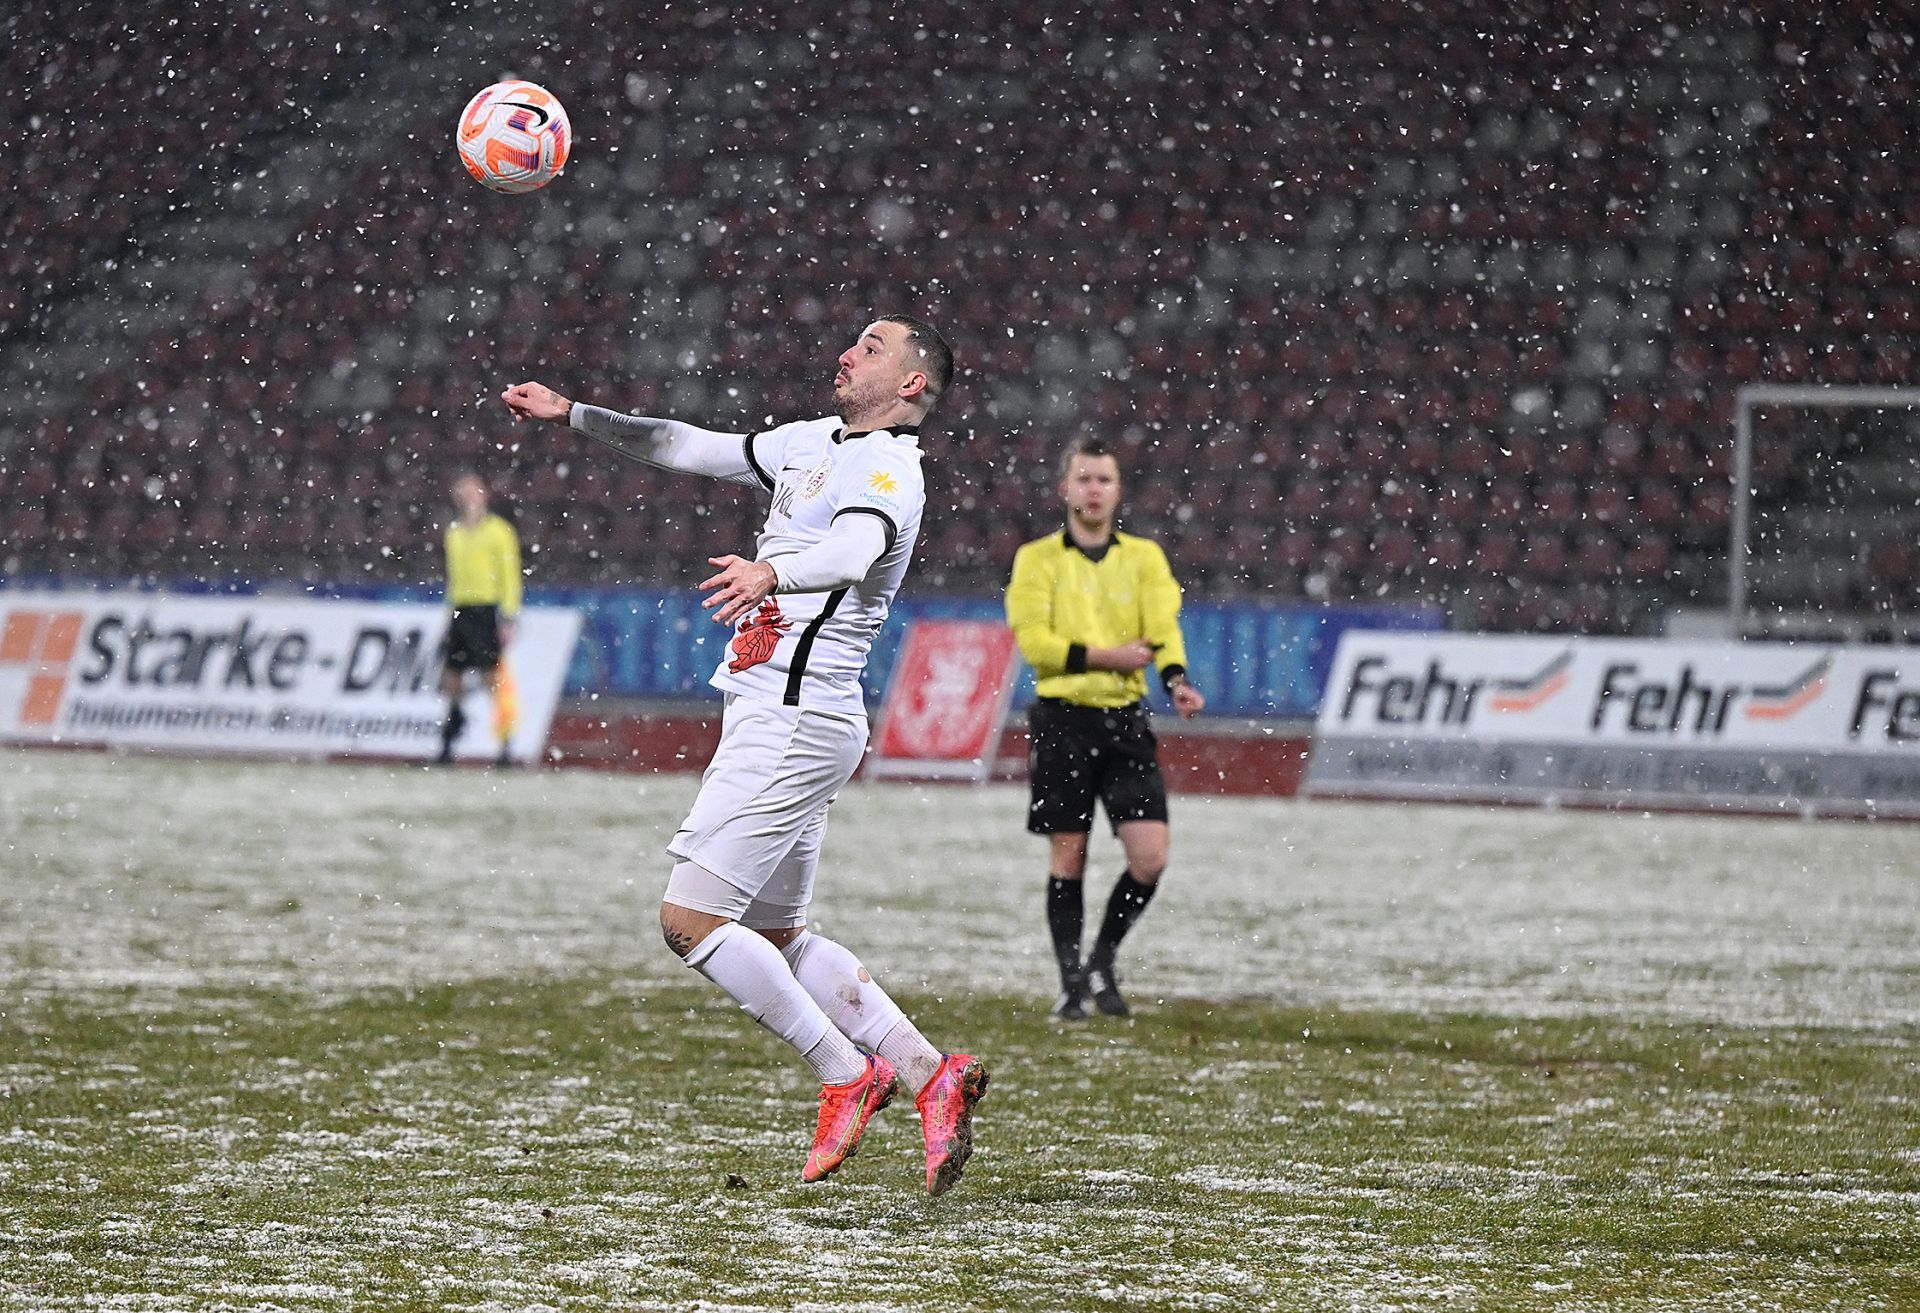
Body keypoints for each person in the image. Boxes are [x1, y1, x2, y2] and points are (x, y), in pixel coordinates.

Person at [499, 316, 988, 1194]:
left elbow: (854, 547)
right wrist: (575, 413)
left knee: (689, 922)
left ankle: (847, 1072)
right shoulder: (811, 442)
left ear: (913, 385)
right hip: (795, 715)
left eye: (873, 348)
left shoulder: (889, 466)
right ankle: (928, 1073)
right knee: (776, 934)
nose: (848, 352)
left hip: (793, 717)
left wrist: (774, 572)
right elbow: (688, 445)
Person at [1005, 436, 1206, 1020]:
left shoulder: (1144, 558)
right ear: (1064, 488)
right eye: (1084, 479)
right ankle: (1071, 983)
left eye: (1104, 480)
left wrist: (1175, 680)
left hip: (1124, 721)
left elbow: (1162, 627)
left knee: (1151, 858)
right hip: (1062, 719)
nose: (1093, 489)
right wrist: (1107, 657)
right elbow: (1036, 646)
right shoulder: (1036, 559)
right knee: (1069, 855)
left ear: (1118, 492)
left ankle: (1100, 959)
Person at [438, 470, 522, 765]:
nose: (468, 498)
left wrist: (509, 617)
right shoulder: (455, 533)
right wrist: (450, 615)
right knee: (451, 678)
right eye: (463, 493)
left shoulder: (499, 532)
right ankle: (450, 738)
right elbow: (453, 579)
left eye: (472, 492)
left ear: (484, 495)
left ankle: (505, 745)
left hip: (486, 611)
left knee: (492, 680)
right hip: (461, 609)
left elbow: (510, 577)